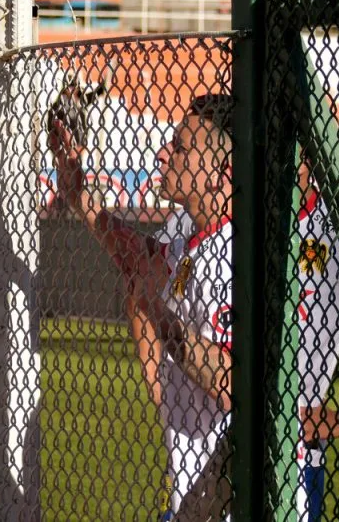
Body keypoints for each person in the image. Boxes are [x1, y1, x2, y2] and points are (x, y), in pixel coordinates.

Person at [52, 92, 235, 519]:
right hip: (196, 496)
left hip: (225, 502)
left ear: (220, 173)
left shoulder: (231, 255)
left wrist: (157, 313)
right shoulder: (190, 234)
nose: (163, 153)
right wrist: (76, 188)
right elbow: (136, 257)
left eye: (181, 148)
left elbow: (230, 384)